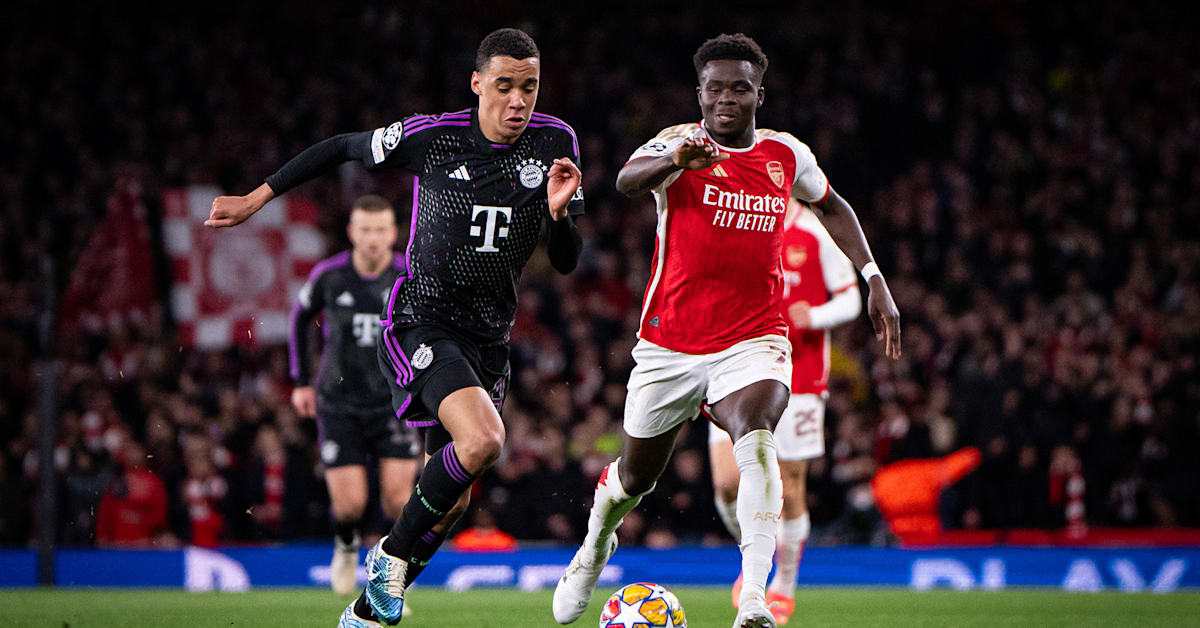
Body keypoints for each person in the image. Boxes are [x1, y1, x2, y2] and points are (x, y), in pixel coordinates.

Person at [205, 27, 584, 627]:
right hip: (423, 321)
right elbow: (340, 147)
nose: (519, 101)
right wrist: (257, 199)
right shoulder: (431, 138)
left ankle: (369, 608)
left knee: (453, 500)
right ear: (478, 82)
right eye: (506, 86)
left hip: (491, 340)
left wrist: (561, 215)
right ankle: (388, 560)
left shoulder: (555, 142)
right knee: (484, 440)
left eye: (530, 87)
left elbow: (565, 259)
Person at [553, 34, 899, 628]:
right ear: (701, 94)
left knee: (758, 434)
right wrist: (675, 162)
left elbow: (834, 205)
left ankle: (757, 599)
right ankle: (592, 551)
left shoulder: (786, 155)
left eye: (740, 88)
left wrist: (873, 277)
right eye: (715, 89)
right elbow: (626, 181)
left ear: (759, 94)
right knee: (634, 480)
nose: (726, 99)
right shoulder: (678, 142)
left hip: (754, 338)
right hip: (671, 344)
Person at [709, 198, 862, 625]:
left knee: (790, 488)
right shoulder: (739, 219)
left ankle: (785, 585)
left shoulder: (815, 231)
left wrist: (813, 314)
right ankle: (757, 558)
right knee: (726, 483)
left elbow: (850, 299)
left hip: (801, 375)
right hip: (735, 368)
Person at [288, 195, 421, 596]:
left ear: (393, 233)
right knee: (350, 507)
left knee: (400, 503)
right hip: (339, 401)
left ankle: (392, 580)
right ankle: (346, 546)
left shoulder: (410, 272)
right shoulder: (329, 276)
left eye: (381, 230)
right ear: (352, 232)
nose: (373, 238)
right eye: (365, 230)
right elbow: (298, 321)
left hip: (395, 402)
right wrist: (301, 381)